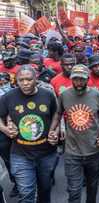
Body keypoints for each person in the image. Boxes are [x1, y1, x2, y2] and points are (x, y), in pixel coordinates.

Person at [49, 64, 99, 203]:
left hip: (93, 151)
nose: (78, 83)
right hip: (72, 153)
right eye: (75, 79)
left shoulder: (97, 95)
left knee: (92, 187)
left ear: (87, 79)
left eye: (82, 79)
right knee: (74, 190)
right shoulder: (64, 95)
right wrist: (52, 131)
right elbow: (58, 114)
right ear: (71, 79)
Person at [0, 65, 58, 203]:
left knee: (45, 190)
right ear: (17, 80)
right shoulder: (8, 97)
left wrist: (55, 131)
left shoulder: (48, 95)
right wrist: (5, 129)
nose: (25, 83)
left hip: (46, 154)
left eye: (29, 79)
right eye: (21, 80)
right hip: (20, 155)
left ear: (36, 78)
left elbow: (56, 115)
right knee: (26, 194)